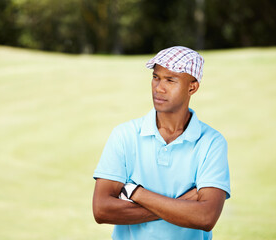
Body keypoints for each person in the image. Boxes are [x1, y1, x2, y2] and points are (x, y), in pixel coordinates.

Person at [92, 46, 231, 240]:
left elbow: (206, 217)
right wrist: (182, 203)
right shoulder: (125, 135)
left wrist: (135, 192)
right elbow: (101, 211)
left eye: (170, 80)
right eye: (156, 77)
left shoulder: (212, 143)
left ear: (192, 87)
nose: (159, 88)